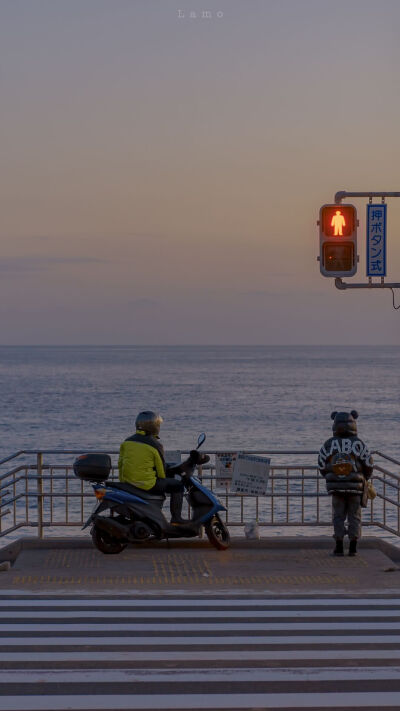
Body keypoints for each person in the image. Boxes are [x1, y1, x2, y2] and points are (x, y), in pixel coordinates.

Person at [118, 410, 196, 525]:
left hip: (129, 483)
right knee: (177, 486)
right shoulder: (155, 444)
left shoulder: (127, 442)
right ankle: (176, 518)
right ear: (153, 426)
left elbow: (121, 464)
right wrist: (166, 478)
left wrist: (123, 482)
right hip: (146, 484)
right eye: (158, 425)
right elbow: (161, 471)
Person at [318, 410, 374, 557]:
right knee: (354, 516)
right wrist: (364, 478)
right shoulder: (358, 444)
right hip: (356, 488)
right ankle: (353, 547)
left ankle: (338, 546)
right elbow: (368, 464)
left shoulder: (329, 444)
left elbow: (321, 465)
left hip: (336, 488)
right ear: (353, 423)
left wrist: (330, 477)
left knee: (338, 516)